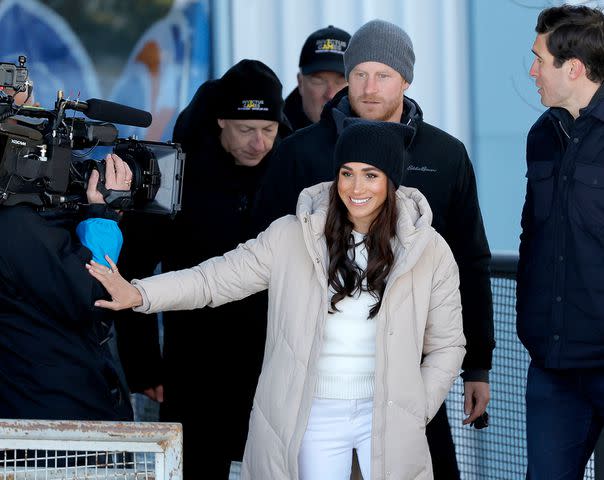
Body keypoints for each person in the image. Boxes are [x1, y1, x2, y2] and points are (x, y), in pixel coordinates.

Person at [89, 120, 465, 480]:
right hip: (314, 415)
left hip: (388, 417)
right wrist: (140, 293)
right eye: (347, 173)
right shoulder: (291, 235)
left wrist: (414, 409)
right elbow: (213, 279)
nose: (355, 186)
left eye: (371, 174)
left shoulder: (428, 250)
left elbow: (448, 345)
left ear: (391, 181)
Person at [252, 19, 494, 477]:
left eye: (383, 74)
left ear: (406, 78)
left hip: (408, 373)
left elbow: (470, 261)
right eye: (359, 73)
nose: (368, 86)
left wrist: (477, 365)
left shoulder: (445, 155)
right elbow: (261, 265)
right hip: (315, 386)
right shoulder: (300, 153)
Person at [114, 59, 291, 478]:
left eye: (269, 130)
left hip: (274, 363)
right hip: (194, 364)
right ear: (219, 122)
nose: (259, 143)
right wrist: (144, 364)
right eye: (247, 131)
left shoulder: (291, 170)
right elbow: (134, 266)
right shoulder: (174, 174)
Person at [518, 5, 604, 478]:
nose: (532, 70)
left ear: (572, 68)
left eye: (539, 59)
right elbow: (533, 234)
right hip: (552, 363)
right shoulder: (542, 135)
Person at [0, 153, 133, 421]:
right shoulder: (15, 224)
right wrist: (103, 218)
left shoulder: (24, 220)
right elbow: (92, 295)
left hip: (42, 407)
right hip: (54, 422)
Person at [284, 25, 350, 130]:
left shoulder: (379, 137)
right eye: (318, 80)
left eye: (341, 80)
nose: (331, 95)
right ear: (300, 83)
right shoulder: (271, 141)